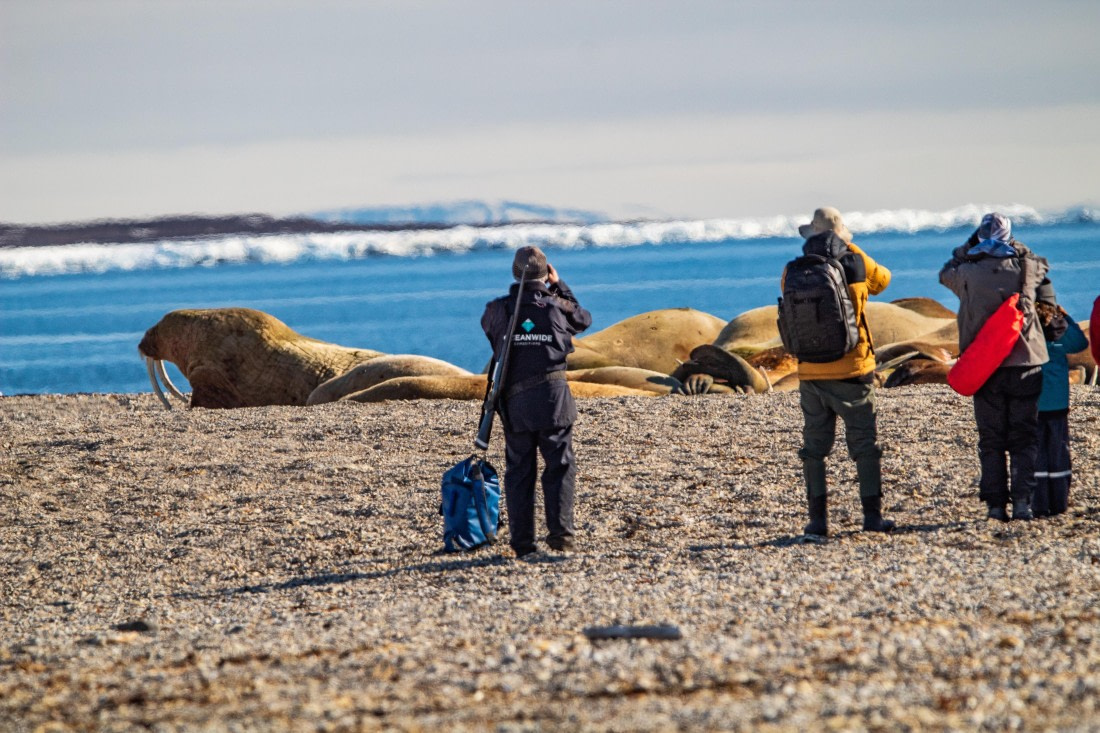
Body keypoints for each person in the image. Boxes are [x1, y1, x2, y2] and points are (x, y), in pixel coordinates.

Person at [784, 207, 895, 537]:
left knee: (814, 449)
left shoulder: (793, 269)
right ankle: (872, 518)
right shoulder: (856, 263)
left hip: (810, 371)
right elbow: (884, 281)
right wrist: (852, 246)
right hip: (853, 368)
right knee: (864, 445)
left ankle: (818, 522)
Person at [481, 246, 592, 558]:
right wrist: (559, 287)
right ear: (547, 273)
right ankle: (561, 537)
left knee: (519, 471)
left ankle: (523, 544)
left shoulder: (496, 309)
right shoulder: (559, 307)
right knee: (559, 466)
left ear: (515, 274)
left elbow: (492, 336)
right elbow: (582, 319)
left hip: (515, 402)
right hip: (553, 400)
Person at [939, 212, 1050, 521]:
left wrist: (969, 246)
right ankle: (1024, 502)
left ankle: (995, 505)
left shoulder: (967, 274)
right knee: (1024, 436)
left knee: (991, 439)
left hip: (985, 367)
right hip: (1026, 363)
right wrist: (1018, 247)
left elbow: (945, 271)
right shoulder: (1026, 268)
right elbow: (1042, 263)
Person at [1031, 290, 1088, 517]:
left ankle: (1038, 502)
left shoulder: (1024, 323)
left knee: (1035, 451)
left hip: (1030, 400)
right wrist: (1067, 318)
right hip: (1057, 402)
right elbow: (1080, 343)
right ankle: (1059, 502)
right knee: (1058, 449)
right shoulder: (1059, 327)